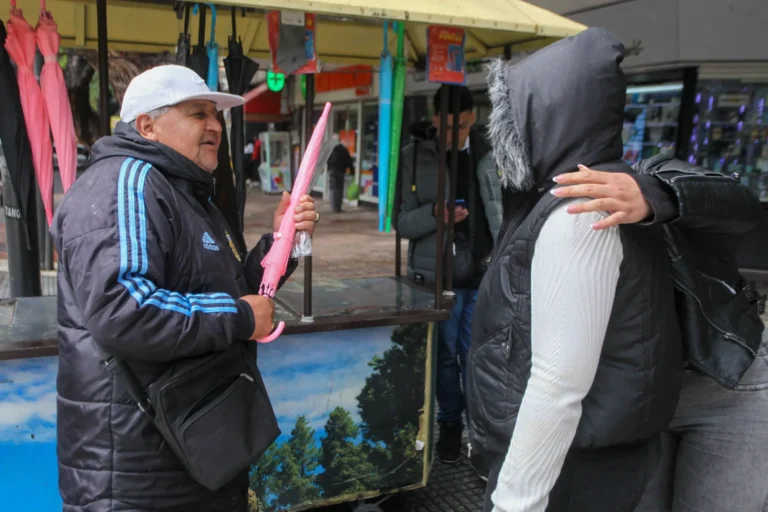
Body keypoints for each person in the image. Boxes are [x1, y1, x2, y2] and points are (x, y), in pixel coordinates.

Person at [51, 65, 319, 511]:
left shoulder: (184, 191)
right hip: (140, 470)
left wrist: (282, 243)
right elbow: (124, 309)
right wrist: (241, 318)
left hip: (189, 450)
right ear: (147, 125)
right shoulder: (128, 184)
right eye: (198, 114)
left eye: (216, 116)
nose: (215, 125)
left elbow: (233, 292)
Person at [467, 28, 686, 511]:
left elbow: (557, 382)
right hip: (580, 458)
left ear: (547, 116)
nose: (502, 131)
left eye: (512, 116)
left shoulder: (581, 209)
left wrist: (514, 502)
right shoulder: (576, 194)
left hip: (571, 469)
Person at [397, 85, 502, 464]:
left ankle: (480, 431)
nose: (454, 133)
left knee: (476, 356)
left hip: (482, 271)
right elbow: (401, 223)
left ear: (473, 118)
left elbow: (501, 211)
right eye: (447, 125)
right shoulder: (414, 157)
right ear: (435, 118)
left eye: (461, 125)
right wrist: (435, 216)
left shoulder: (491, 153)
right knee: (443, 357)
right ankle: (450, 425)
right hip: (437, 275)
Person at [326, 137, 354, 213]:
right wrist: (352, 172)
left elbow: (327, 161)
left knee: (333, 189)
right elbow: (349, 161)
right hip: (341, 171)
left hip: (332, 171)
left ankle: (333, 206)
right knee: (340, 189)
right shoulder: (344, 150)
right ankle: (338, 207)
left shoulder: (331, 150)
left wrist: (329, 168)